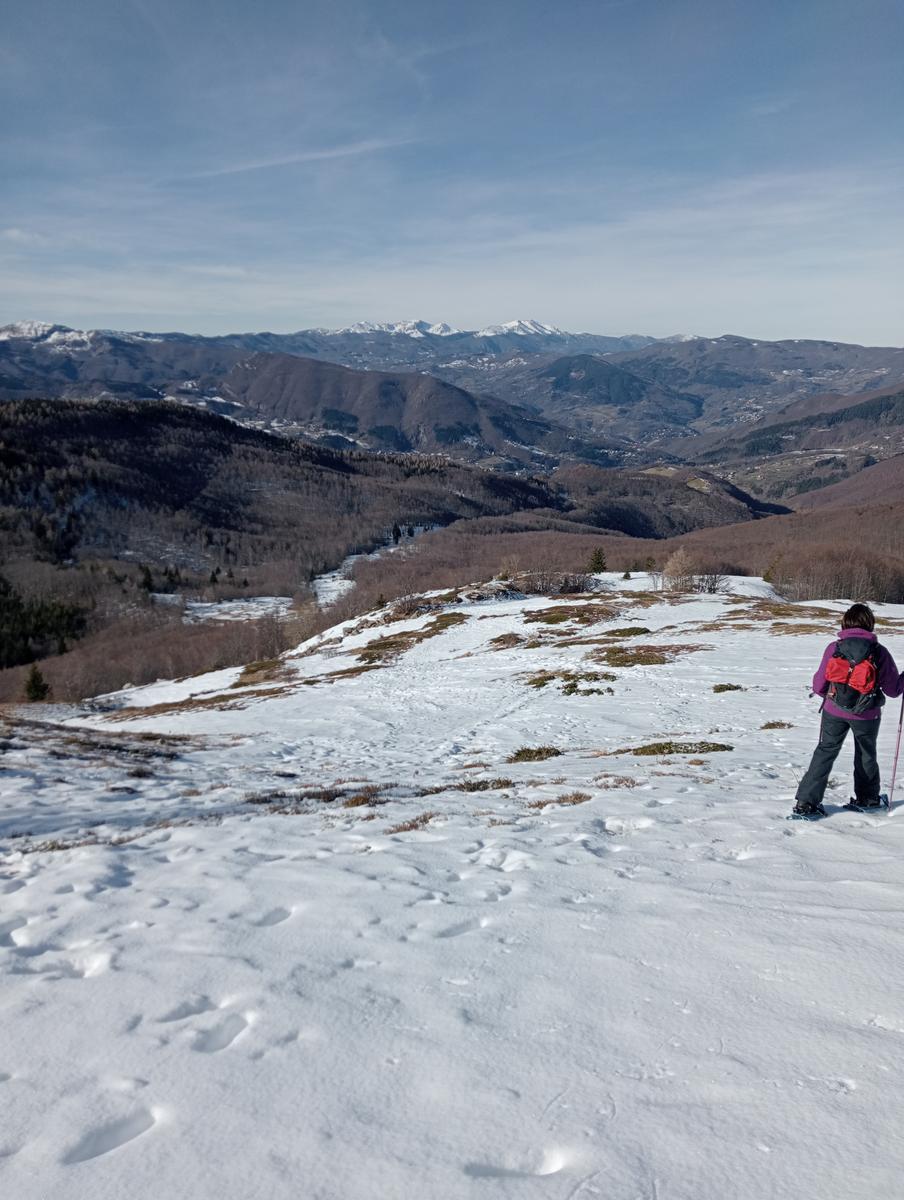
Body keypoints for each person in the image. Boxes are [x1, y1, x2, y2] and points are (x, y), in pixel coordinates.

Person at [791, 603, 904, 819]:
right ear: (870, 624)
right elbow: (893, 690)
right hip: (867, 714)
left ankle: (806, 804)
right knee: (865, 753)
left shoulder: (835, 647)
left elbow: (818, 686)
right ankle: (868, 799)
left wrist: (832, 697)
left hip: (834, 710)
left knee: (825, 751)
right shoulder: (879, 652)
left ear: (846, 623)